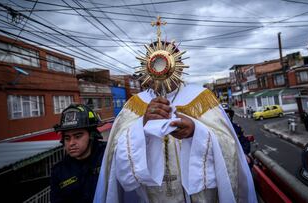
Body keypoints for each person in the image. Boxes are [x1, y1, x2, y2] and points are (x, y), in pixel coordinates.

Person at [94, 40, 257, 203]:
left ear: (179, 64)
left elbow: (229, 145)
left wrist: (195, 131)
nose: (161, 70)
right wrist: (142, 126)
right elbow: (114, 155)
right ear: (146, 68)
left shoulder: (201, 98)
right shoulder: (134, 106)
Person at [50, 104, 106, 203]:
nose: (71, 143)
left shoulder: (108, 156)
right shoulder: (59, 171)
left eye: (78, 136)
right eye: (67, 138)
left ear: (91, 135)